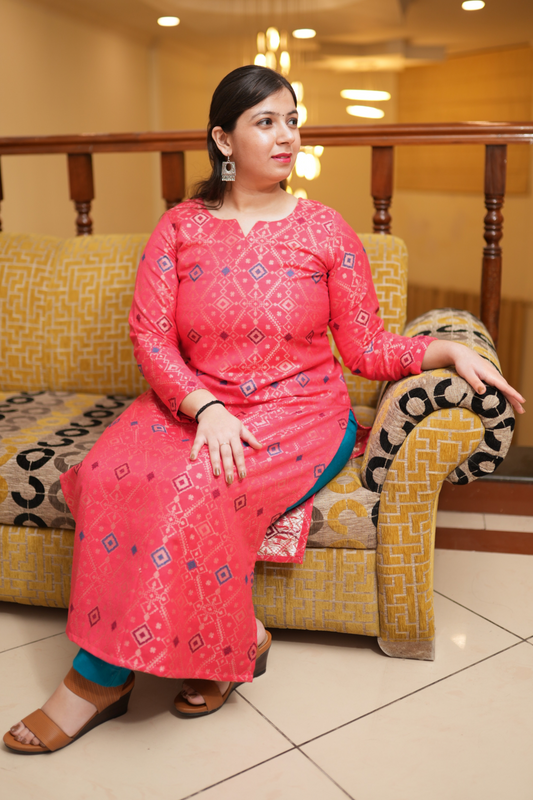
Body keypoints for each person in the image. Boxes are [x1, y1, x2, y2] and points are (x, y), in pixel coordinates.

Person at [5, 66, 525, 754]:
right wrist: (204, 406)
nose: (287, 137)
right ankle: (237, 638)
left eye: (292, 120)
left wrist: (444, 351)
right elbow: (150, 337)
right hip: (189, 402)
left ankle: (96, 681)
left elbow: (366, 347)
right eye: (266, 122)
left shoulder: (325, 229)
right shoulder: (180, 227)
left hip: (298, 414)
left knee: (195, 485)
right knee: (105, 472)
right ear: (223, 140)